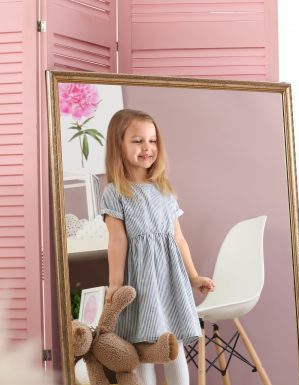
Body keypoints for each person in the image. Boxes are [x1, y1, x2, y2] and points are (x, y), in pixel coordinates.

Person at [100, 109, 215, 385]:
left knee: (171, 342)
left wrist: (194, 276)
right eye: (138, 141)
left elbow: (178, 239)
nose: (147, 148)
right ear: (119, 145)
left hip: (169, 281)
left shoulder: (164, 190)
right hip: (140, 282)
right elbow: (117, 241)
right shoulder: (115, 192)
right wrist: (115, 285)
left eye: (152, 141)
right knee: (141, 346)